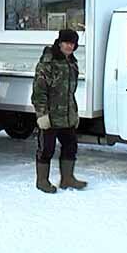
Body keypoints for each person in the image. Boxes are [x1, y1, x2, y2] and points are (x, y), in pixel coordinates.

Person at [31, 29, 87, 194]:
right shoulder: (48, 63)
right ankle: (42, 181)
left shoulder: (72, 64)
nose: (70, 46)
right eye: (67, 43)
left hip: (67, 116)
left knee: (71, 146)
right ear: (60, 43)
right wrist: (42, 114)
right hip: (51, 116)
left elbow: (71, 92)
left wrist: (74, 112)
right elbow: (39, 91)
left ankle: (67, 178)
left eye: (73, 44)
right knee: (46, 149)